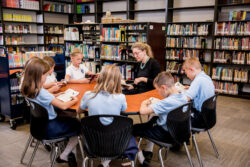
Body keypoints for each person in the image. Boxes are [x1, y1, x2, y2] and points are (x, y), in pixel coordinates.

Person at [21, 57, 80, 167]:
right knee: (79, 126)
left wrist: (55, 95)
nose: (47, 77)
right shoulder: (42, 92)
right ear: (39, 76)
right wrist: (75, 100)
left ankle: (68, 153)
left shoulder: (30, 88)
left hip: (38, 127)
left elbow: (45, 98)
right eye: (46, 75)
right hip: (50, 127)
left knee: (69, 119)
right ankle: (65, 155)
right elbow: (62, 106)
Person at [77, 64, 138, 167]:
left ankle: (104, 163)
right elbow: (124, 110)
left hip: (93, 140)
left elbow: (79, 111)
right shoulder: (120, 97)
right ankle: (106, 163)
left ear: (100, 78)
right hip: (116, 141)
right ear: (118, 81)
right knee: (129, 131)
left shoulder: (88, 95)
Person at [133, 72, 188, 167]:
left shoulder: (166, 102)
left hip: (165, 134)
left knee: (131, 129)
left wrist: (145, 102)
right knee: (153, 118)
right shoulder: (183, 96)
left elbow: (142, 111)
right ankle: (148, 150)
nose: (158, 93)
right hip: (178, 132)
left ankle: (141, 159)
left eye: (158, 90)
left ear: (163, 87)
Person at [182, 57, 215, 127]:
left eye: (186, 73)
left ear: (191, 69)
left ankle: (181, 137)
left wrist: (174, 94)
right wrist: (191, 88)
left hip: (200, 118)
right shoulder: (206, 77)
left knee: (173, 117)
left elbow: (186, 98)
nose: (187, 76)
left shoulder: (198, 80)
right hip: (209, 117)